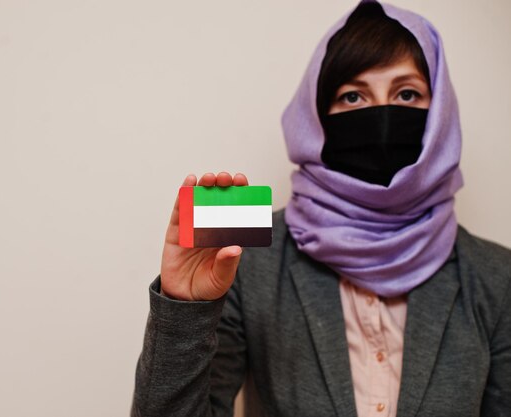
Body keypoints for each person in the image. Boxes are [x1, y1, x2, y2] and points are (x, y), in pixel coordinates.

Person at [131, 2, 511, 416]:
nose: (381, 116)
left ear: (440, 116)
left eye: (407, 94)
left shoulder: (496, 277)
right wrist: (184, 310)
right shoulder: (244, 255)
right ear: (315, 118)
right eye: (352, 96)